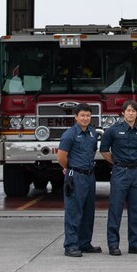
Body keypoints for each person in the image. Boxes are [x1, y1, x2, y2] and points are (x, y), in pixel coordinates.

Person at [100, 99, 137, 256]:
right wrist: (117, 162)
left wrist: (135, 162)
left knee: (136, 209)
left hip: (136, 173)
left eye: (133, 111)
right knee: (115, 209)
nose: (130, 113)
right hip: (120, 172)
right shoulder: (113, 130)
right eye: (128, 110)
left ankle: (135, 243)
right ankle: (113, 244)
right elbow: (104, 150)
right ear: (123, 113)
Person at [57, 103, 101, 257]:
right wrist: (70, 169)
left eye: (88, 115)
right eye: (82, 115)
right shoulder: (69, 134)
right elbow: (61, 156)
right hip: (75, 176)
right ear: (76, 117)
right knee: (74, 211)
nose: (85, 118)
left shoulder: (92, 133)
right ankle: (70, 245)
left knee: (88, 211)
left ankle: (84, 243)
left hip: (89, 176)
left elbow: (93, 151)